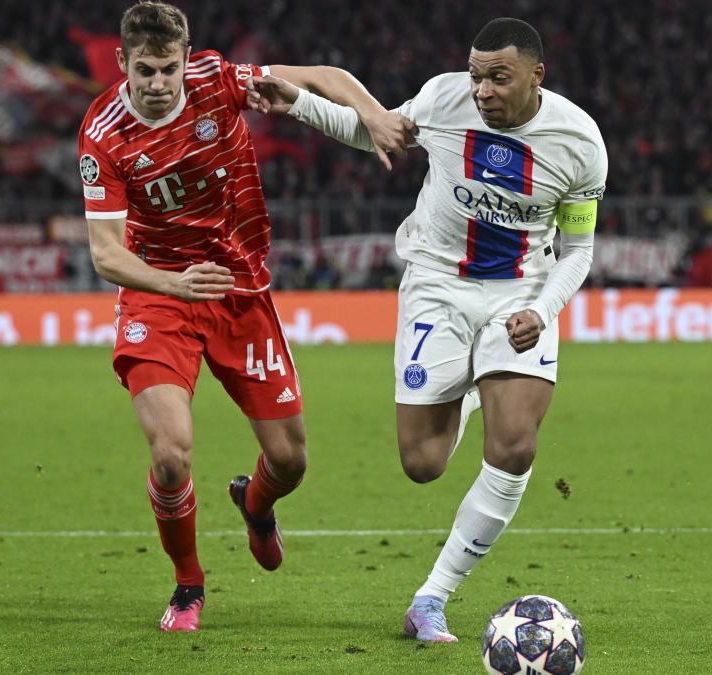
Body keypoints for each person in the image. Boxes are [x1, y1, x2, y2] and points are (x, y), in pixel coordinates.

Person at [247, 17, 607, 642]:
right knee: (423, 463)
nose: (483, 89)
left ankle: (431, 598)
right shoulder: (444, 97)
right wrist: (299, 103)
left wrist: (542, 312)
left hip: (519, 297)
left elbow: (577, 250)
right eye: (477, 75)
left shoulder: (578, 141)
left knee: (515, 446)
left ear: (535, 75)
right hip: (435, 286)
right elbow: (376, 131)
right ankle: (473, 385)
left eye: (499, 77)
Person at [77, 0, 411, 632]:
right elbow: (105, 253)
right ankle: (187, 585)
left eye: (166, 69)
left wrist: (372, 114)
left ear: (184, 61)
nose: (155, 84)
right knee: (171, 453)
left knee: (291, 462)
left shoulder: (217, 79)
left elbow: (318, 76)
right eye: (142, 70)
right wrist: (173, 283)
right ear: (122, 63)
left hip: (240, 292)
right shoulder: (102, 133)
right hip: (160, 294)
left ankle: (255, 505)